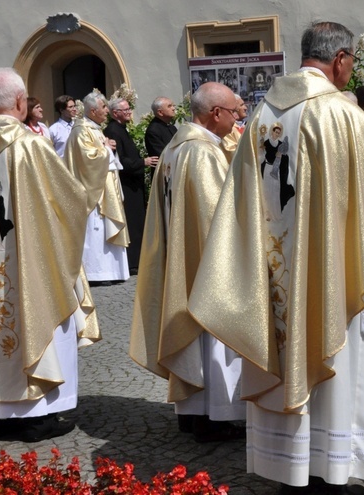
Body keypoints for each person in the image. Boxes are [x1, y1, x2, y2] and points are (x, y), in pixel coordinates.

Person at [188, 21, 364, 495]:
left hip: (271, 270)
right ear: (341, 59)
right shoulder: (340, 115)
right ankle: (327, 471)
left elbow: (239, 202)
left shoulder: (261, 116)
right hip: (329, 272)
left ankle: (288, 469)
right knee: (335, 356)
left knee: (282, 349)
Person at [0, 67, 100, 442]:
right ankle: (36, 416)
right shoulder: (29, 145)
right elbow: (69, 198)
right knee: (35, 310)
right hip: (28, 255)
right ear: (20, 102)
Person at [130, 82, 245, 443]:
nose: (236, 118)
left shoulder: (175, 149)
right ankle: (213, 417)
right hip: (203, 265)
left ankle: (192, 411)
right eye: (232, 112)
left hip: (181, 259)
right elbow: (218, 222)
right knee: (211, 335)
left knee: (195, 336)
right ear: (215, 114)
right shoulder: (203, 154)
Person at [65, 90, 129, 284]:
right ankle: (96, 273)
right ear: (93, 110)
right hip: (92, 190)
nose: (106, 111)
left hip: (105, 185)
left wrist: (106, 147)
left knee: (104, 228)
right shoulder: (81, 129)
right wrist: (106, 149)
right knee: (96, 231)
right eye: (103, 107)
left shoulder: (95, 128)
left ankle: (112, 272)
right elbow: (86, 158)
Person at [103, 97, 152, 275]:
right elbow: (121, 160)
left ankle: (137, 259)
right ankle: (132, 262)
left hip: (133, 182)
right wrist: (142, 162)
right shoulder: (113, 130)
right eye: (126, 110)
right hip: (126, 183)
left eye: (129, 109)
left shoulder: (120, 129)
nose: (130, 112)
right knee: (132, 221)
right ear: (115, 113)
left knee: (137, 221)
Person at [144, 96, 177, 163]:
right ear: (160, 112)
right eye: (169, 106)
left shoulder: (172, 127)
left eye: (173, 106)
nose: (173, 108)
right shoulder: (153, 131)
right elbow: (162, 154)